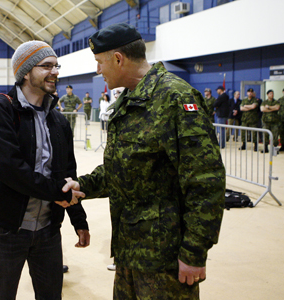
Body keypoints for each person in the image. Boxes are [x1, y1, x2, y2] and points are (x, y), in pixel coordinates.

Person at [64, 23, 225, 300]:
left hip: (165, 258)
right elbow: (123, 166)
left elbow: (205, 180)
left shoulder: (175, 98)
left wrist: (195, 252)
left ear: (118, 59)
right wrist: (83, 186)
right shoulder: (129, 99)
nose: (98, 71)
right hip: (130, 250)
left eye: (100, 63)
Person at [0, 40, 90, 300]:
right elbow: (8, 167)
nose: (55, 72)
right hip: (6, 229)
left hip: (48, 230)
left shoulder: (58, 119)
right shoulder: (0, 109)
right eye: (47, 66)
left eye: (56, 66)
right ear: (26, 72)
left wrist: (78, 219)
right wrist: (57, 193)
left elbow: (67, 172)